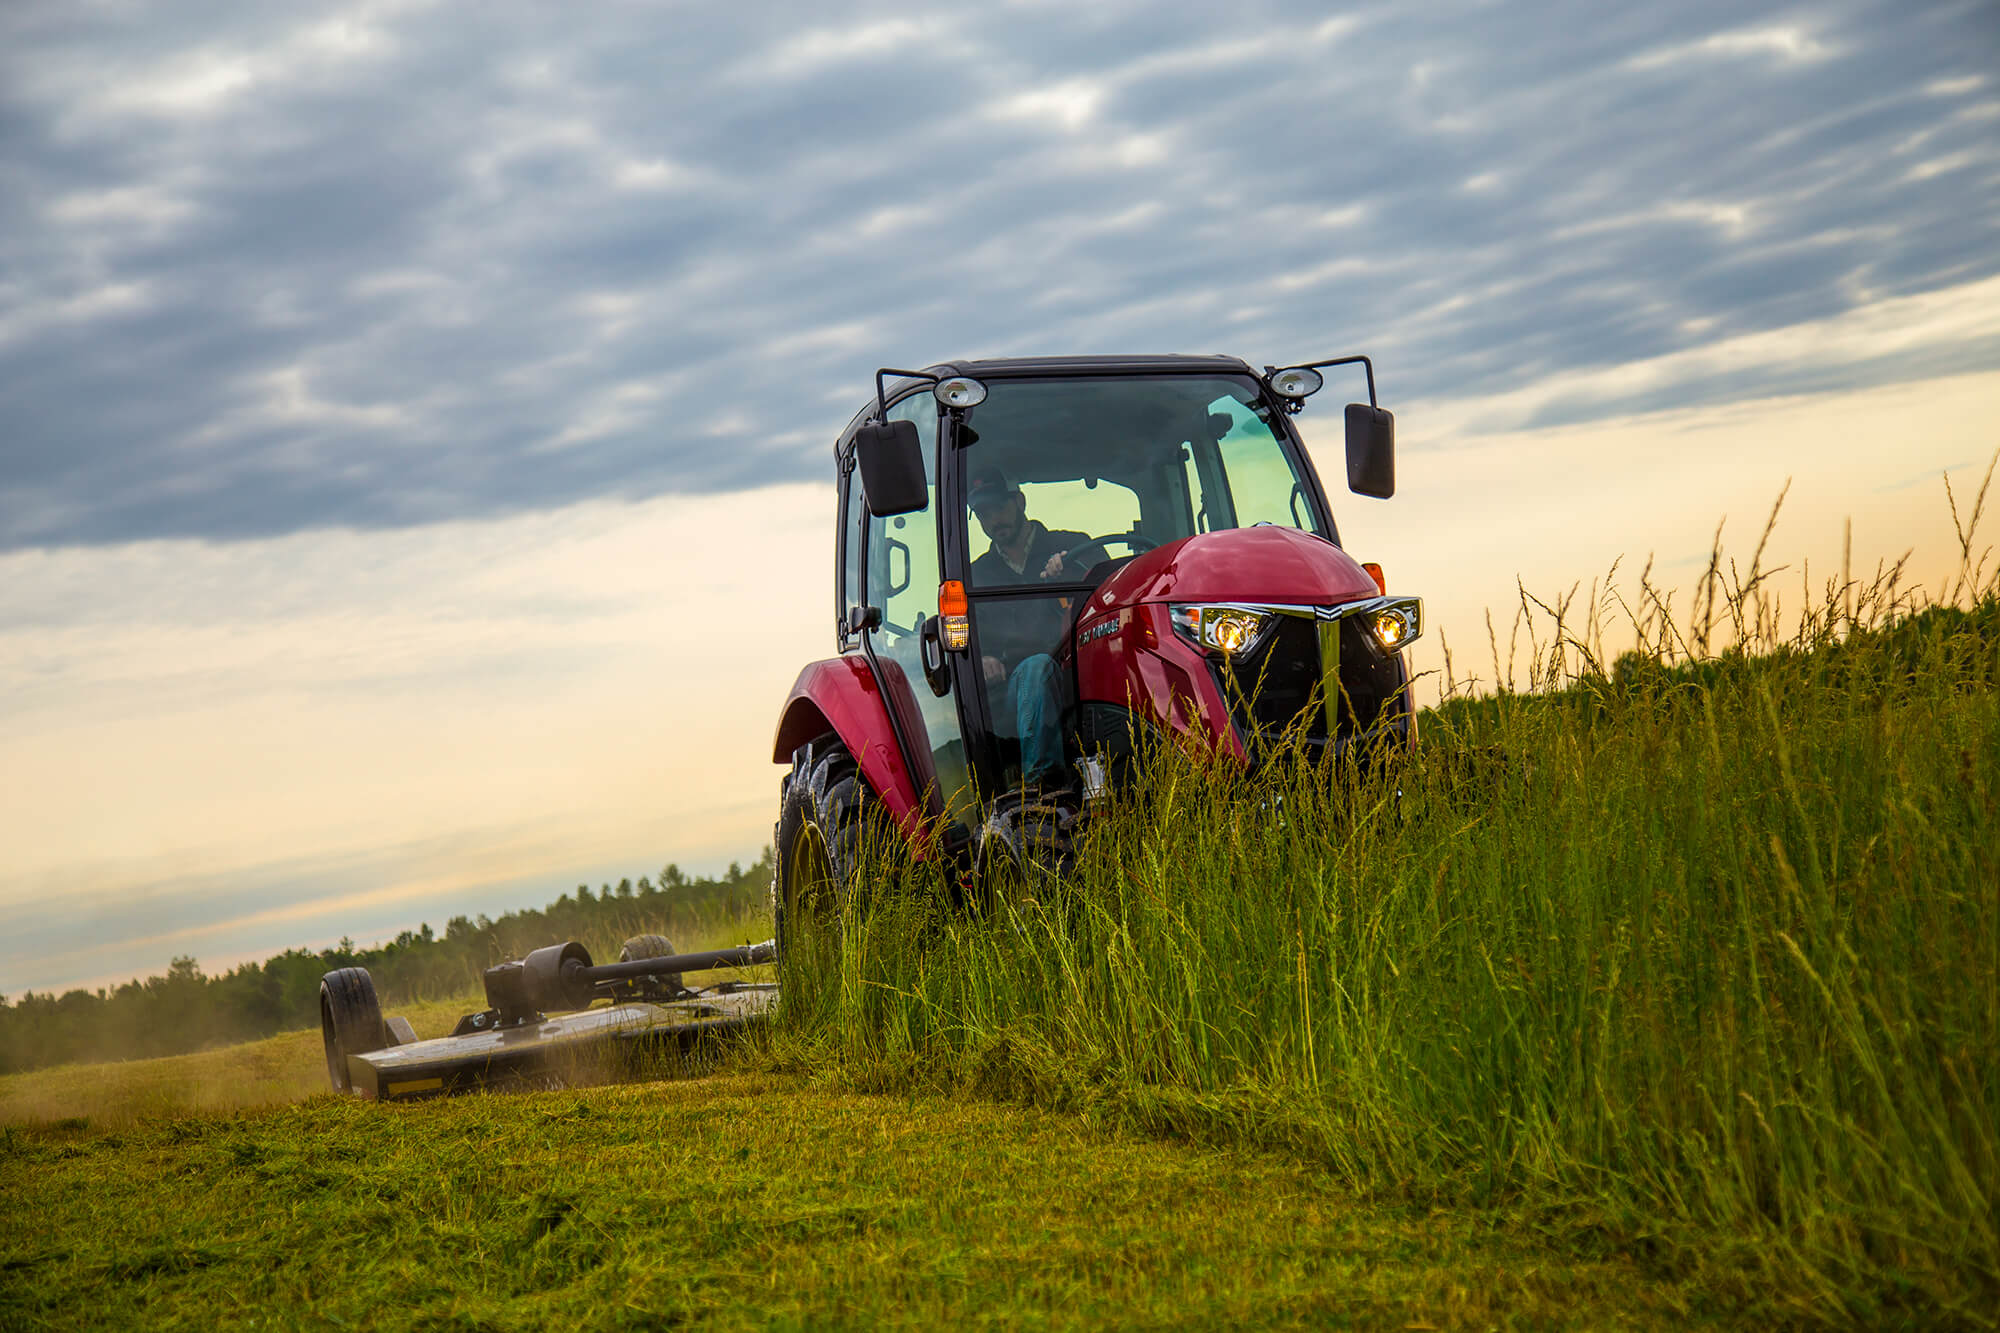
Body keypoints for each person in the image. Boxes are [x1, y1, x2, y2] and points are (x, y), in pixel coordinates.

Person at [965, 466, 1102, 789]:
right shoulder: (976, 576)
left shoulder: (1073, 547)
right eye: (983, 514)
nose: (993, 520)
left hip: (1080, 671)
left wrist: (1072, 571)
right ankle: (1043, 789)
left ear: (1020, 502)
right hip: (1017, 690)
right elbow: (961, 639)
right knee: (1036, 670)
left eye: (998, 508)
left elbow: (1108, 589)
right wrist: (980, 660)